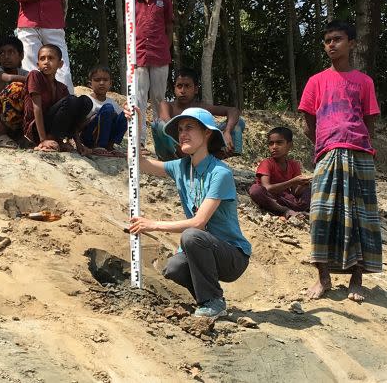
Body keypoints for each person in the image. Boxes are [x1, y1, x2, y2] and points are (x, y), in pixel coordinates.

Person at [129, 107, 251, 318]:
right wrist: (136, 124)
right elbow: (140, 163)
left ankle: (211, 301)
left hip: (232, 257)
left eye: (190, 128)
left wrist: (153, 224)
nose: (182, 133)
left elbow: (199, 223)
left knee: (191, 236)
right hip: (204, 248)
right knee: (174, 268)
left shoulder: (220, 173)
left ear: (207, 133)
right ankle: (213, 299)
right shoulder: (181, 167)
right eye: (180, 129)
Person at [298, 20, 382, 303]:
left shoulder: (364, 82)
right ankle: (323, 279)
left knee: (359, 218)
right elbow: (309, 124)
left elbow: (369, 123)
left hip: (359, 155)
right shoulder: (316, 81)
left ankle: (356, 280)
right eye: (327, 40)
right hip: (327, 155)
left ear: (352, 43)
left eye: (338, 39)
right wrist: (327, 144)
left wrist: (353, 142)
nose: (331, 45)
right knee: (321, 216)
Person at [152, 68, 245, 161]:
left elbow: (233, 111)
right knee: (160, 125)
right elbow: (167, 123)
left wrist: (227, 132)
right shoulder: (167, 105)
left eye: (187, 86)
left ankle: (215, 157)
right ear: (175, 89)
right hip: (172, 155)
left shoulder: (200, 107)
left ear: (196, 89)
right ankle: (188, 161)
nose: (182, 90)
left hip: (198, 151)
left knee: (238, 122)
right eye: (179, 86)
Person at [23, 44, 92, 153]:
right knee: (71, 100)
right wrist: (43, 140)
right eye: (42, 59)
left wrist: (79, 144)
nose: (46, 62)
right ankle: (50, 139)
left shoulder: (62, 87)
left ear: (60, 64)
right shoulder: (35, 76)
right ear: (38, 64)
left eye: (50, 58)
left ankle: (58, 139)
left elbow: (71, 114)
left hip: (53, 127)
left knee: (86, 101)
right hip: (36, 129)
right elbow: (37, 108)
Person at [134, 0, 173, 145]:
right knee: (139, 97)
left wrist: (166, 47)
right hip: (138, 55)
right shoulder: (131, 1)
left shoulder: (164, 2)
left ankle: (160, 140)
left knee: (158, 99)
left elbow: (169, 27)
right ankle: (139, 140)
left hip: (160, 55)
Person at [248, 127, 311, 219]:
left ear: (290, 145)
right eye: (271, 143)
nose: (274, 147)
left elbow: (295, 192)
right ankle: (284, 211)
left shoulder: (294, 164)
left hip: (285, 199)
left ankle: (298, 210)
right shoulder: (266, 163)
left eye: (279, 143)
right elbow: (267, 188)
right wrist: (292, 182)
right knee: (255, 190)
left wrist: (303, 184)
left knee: (310, 189)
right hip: (270, 197)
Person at [0, 36, 29, 148]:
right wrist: (33, 79)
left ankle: (19, 137)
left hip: (15, 122)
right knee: (16, 88)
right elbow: (8, 78)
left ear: (21, 56)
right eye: (2, 53)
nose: (6, 56)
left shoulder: (24, 73)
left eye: (11, 52)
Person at [80, 66, 127, 156]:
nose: (101, 83)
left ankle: (110, 145)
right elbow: (78, 125)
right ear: (90, 84)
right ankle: (98, 146)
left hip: (107, 137)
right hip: (89, 137)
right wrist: (93, 118)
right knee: (108, 109)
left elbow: (120, 121)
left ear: (110, 83)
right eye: (97, 80)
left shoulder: (112, 102)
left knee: (126, 113)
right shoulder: (86, 100)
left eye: (105, 80)